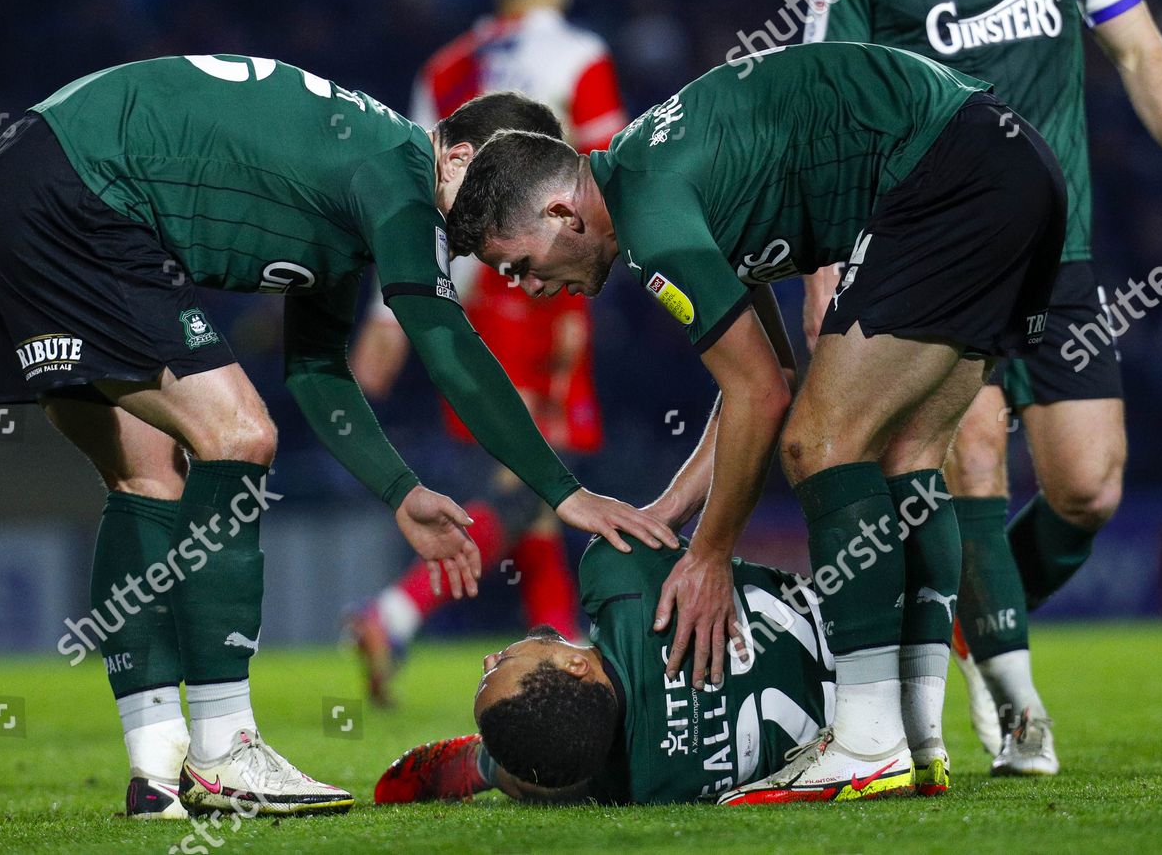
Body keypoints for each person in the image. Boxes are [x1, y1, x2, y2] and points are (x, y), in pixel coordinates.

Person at [0, 55, 676, 820]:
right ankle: (229, 749)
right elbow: (451, 351)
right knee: (239, 434)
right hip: (79, 193)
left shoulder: (347, 187)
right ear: (459, 155)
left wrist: (399, 489)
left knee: (146, 475)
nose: (487, 244)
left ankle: (154, 767)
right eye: (497, 201)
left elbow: (316, 371)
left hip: (10, 187)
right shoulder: (397, 176)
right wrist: (562, 491)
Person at [446, 40, 1067, 803]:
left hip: (950, 178)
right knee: (910, 455)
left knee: (822, 444)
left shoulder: (656, 223)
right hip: (1012, 167)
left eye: (516, 263)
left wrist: (709, 555)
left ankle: (869, 744)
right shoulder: (661, 178)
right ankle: (916, 733)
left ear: (561, 211)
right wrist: (672, 507)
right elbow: (765, 373)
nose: (525, 287)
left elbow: (765, 405)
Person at [800, 0, 1162, 774]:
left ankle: (974, 616)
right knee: (973, 445)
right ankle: (1015, 702)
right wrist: (822, 268)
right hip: (936, 256)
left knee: (1088, 488)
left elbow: (1134, 49)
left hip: (1061, 249)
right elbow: (824, 122)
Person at [347, 0, 627, 705]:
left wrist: (386, 315)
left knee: (534, 494)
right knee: (540, 477)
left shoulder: (443, 71)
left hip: (467, 304)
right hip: (545, 292)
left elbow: (411, 203)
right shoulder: (579, 56)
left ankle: (555, 647)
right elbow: (609, 184)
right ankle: (398, 611)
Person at [374, 537, 843, 806]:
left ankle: (485, 765)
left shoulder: (636, 786)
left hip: (885, 719)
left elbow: (560, 775)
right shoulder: (619, 578)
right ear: (574, 665)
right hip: (866, 621)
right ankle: (483, 762)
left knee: (568, 781)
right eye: (499, 666)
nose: (488, 659)